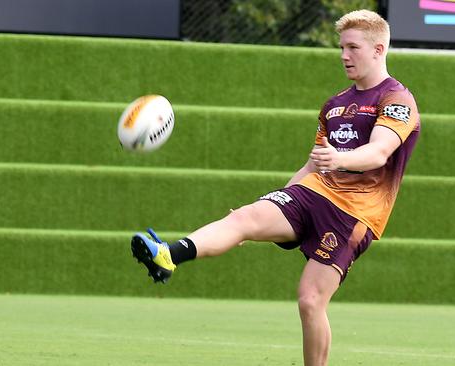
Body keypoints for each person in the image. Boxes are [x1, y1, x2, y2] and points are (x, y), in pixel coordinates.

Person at [130, 9, 420, 366]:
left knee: (310, 301)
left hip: (355, 213)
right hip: (314, 192)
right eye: (341, 47)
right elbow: (313, 164)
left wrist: (339, 160)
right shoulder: (334, 106)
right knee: (246, 218)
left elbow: (378, 152)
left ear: (378, 50)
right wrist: (279, 199)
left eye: (353, 48)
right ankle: (168, 255)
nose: (344, 55)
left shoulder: (396, 99)